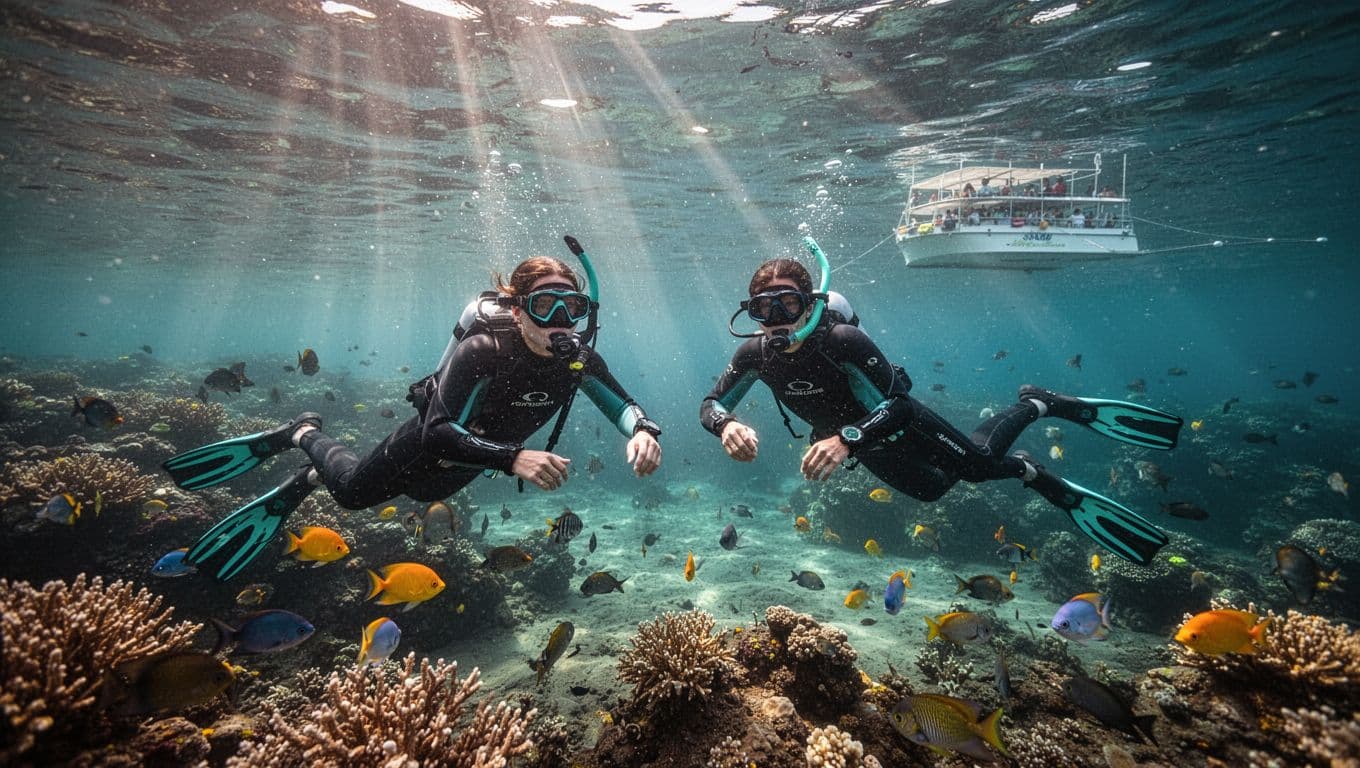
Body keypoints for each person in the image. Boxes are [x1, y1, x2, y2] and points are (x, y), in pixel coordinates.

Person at [166, 247, 663, 580]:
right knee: (352, 495)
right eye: (544, 305)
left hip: (462, 470)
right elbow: (438, 433)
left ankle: (311, 472)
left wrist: (641, 431)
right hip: (426, 449)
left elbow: (622, 404)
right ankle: (302, 434)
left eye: (570, 306)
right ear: (516, 309)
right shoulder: (484, 352)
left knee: (425, 495)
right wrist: (512, 458)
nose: (559, 321)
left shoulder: (578, 359)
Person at [700, 250, 1183, 566]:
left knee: (976, 466)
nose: (774, 320)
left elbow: (898, 405)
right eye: (762, 309)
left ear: (809, 305)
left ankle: (1038, 406)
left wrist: (847, 440)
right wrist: (725, 427)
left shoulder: (842, 340)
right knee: (932, 491)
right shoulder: (753, 356)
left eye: (786, 304)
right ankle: (1027, 463)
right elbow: (711, 404)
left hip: (883, 425)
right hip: (856, 444)